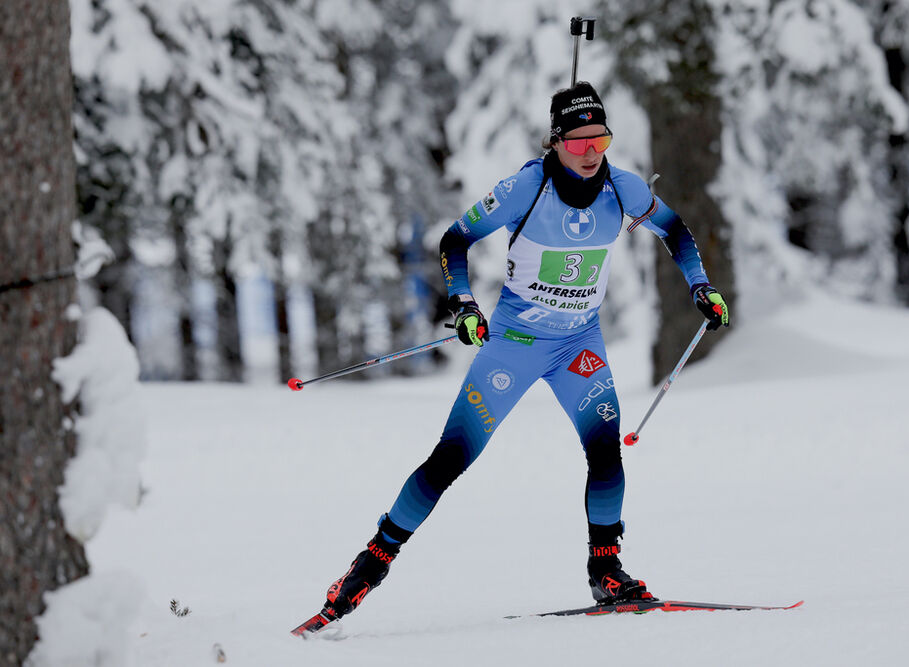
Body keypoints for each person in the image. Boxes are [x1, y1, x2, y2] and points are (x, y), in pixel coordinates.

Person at [296, 81, 729, 634]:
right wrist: (464, 304)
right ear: (555, 144)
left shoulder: (622, 188)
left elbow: (676, 231)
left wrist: (700, 286)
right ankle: (367, 568)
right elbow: (455, 240)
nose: (592, 151)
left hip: (579, 345)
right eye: (578, 143)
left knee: (605, 452)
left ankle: (607, 570)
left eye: (601, 138)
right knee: (451, 458)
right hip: (516, 345)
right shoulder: (528, 186)